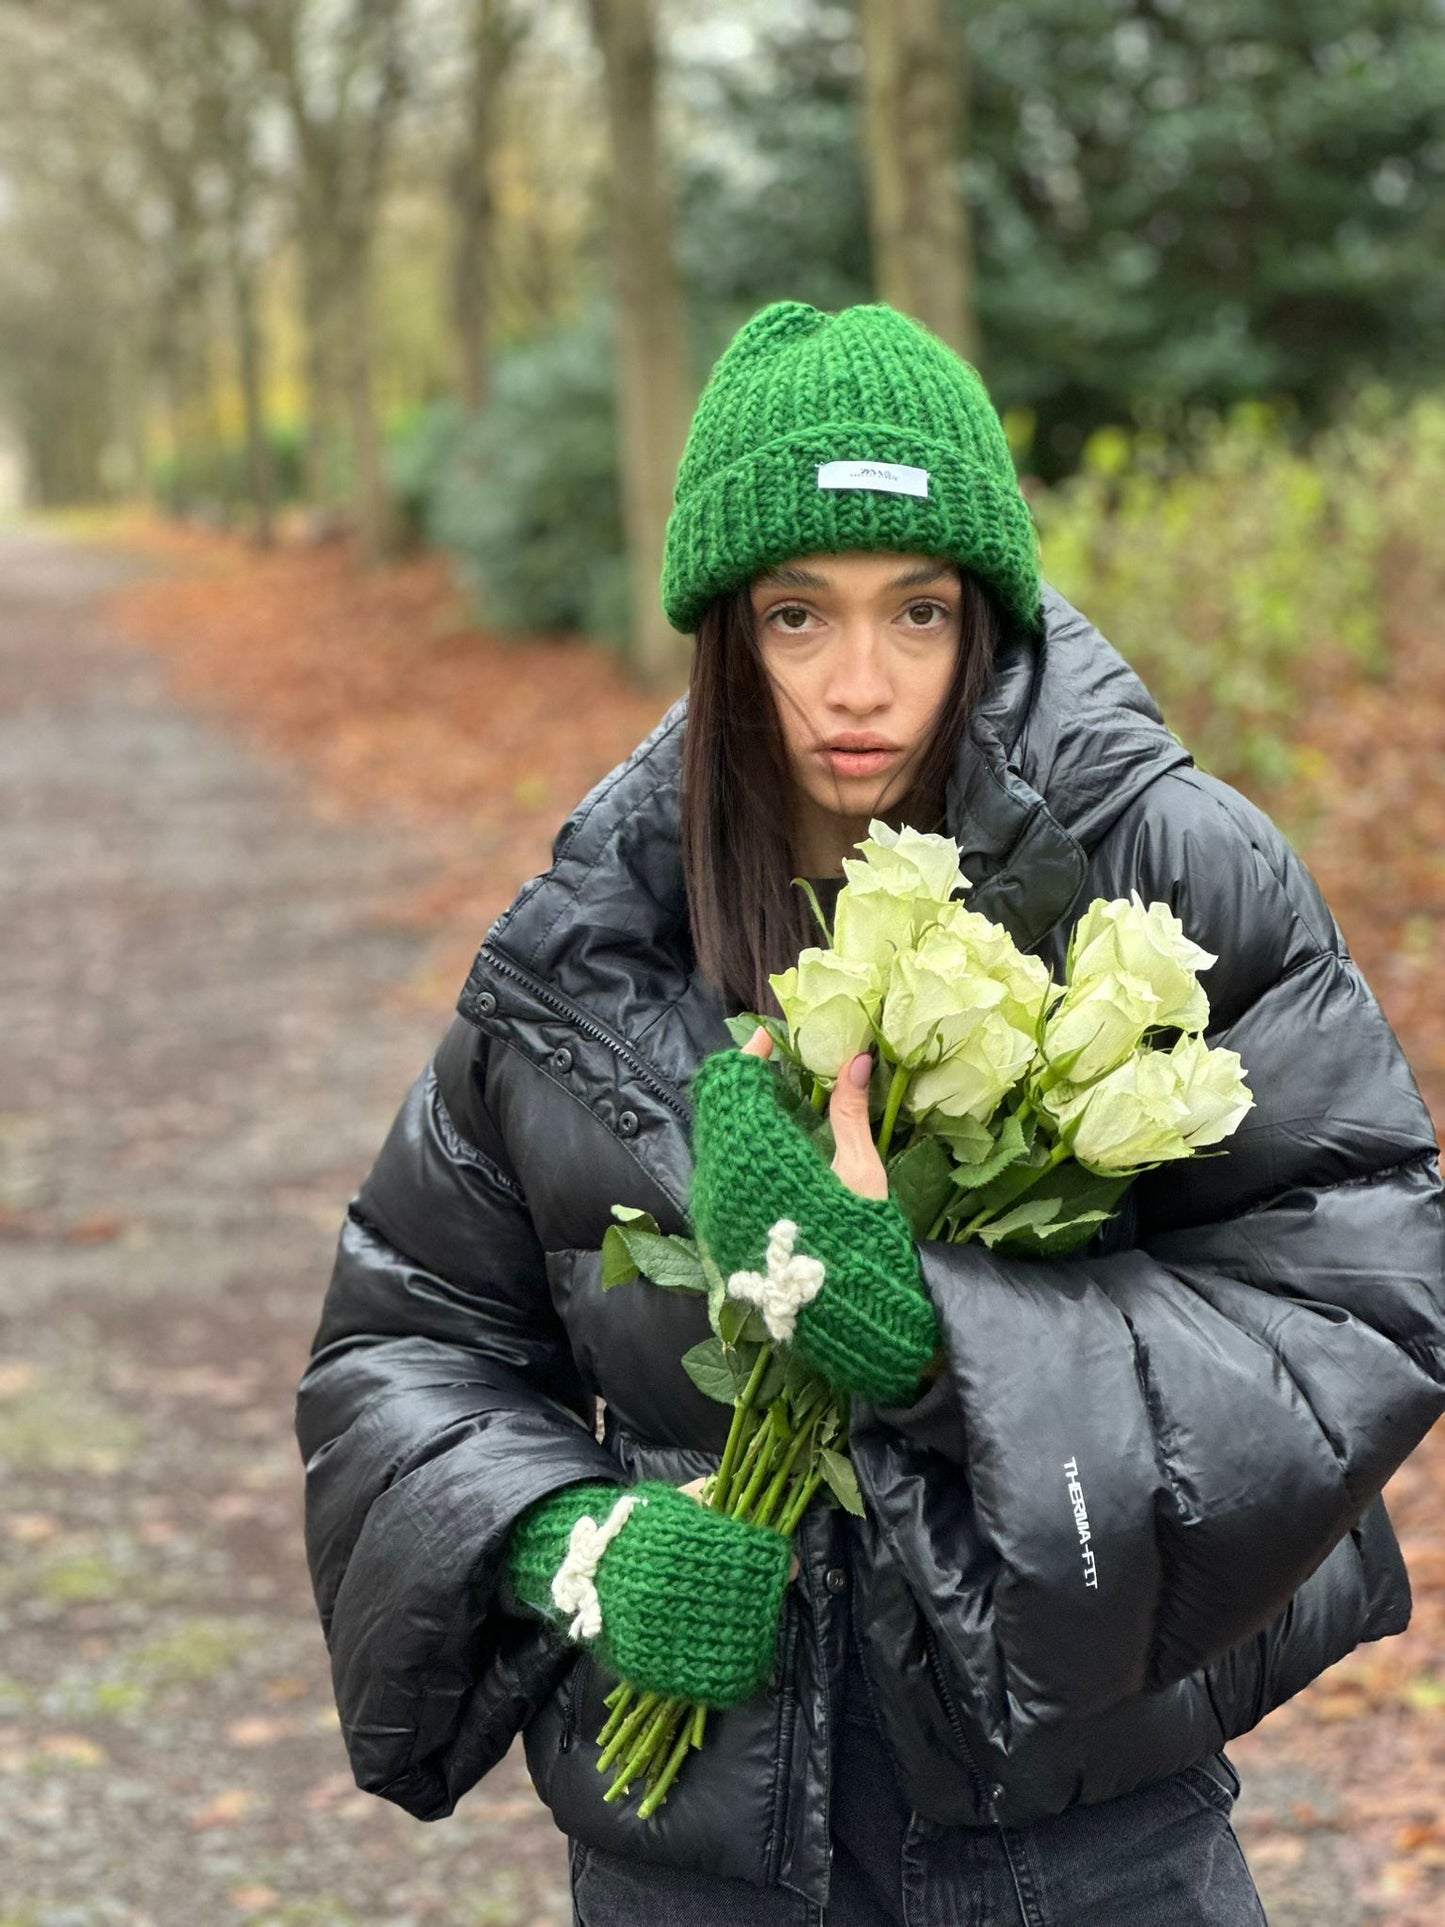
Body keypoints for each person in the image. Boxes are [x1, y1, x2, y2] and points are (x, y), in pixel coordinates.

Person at [295, 301, 1445, 1926]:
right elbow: (403, 1341)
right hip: (696, 1850)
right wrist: (572, 1546)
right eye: (794, 614)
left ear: (983, 606)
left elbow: (1351, 1297)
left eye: (915, 611)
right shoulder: (595, 933)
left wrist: (937, 1345)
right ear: (724, 630)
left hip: (1079, 1837)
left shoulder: (1163, 867)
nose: (859, 684)